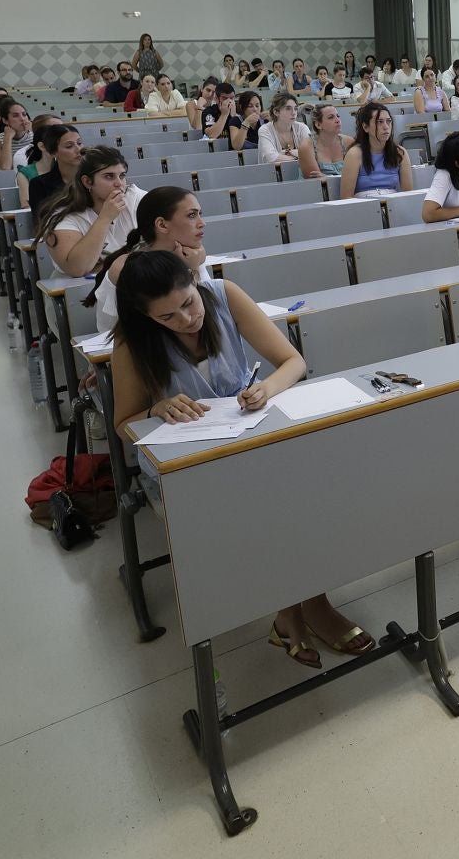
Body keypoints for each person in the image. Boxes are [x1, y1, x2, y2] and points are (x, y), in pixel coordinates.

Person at [110, 250, 372, 668]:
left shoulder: (223, 295)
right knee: (266, 505)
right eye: (168, 318)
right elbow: (124, 422)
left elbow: (293, 362)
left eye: (188, 303)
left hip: (249, 438)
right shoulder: (131, 340)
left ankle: (301, 606)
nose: (186, 320)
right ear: (146, 317)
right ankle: (299, 608)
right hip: (184, 463)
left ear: (195, 282)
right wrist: (156, 410)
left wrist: (266, 389)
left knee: (309, 489)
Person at [83, 186, 214, 329]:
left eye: (200, 214)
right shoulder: (125, 269)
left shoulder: (190, 253)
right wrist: (191, 269)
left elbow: (211, 316)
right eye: (191, 215)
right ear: (162, 225)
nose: (202, 223)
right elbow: (147, 332)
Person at [39, 146, 149, 277]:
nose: (119, 183)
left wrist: (106, 264)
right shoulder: (63, 216)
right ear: (87, 182)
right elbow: (78, 269)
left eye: (122, 175)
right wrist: (104, 219)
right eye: (109, 176)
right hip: (78, 293)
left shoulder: (136, 198)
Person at [341, 103, 414, 198]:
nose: (386, 126)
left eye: (388, 121)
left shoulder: (400, 152)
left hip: (393, 204)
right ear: (365, 127)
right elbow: (346, 198)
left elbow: (408, 195)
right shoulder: (354, 154)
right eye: (379, 122)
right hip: (364, 206)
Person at [25, 123, 81, 220]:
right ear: (53, 152)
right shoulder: (39, 184)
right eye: (69, 146)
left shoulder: (93, 178)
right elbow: (42, 222)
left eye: (79, 143)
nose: (78, 149)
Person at [256, 94, 320, 176]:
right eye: (288, 108)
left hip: (301, 176)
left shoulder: (302, 127)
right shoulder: (265, 130)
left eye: (295, 109)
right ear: (276, 112)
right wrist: (299, 157)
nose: (294, 113)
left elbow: (313, 153)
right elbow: (271, 159)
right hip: (271, 177)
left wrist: (283, 153)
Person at [312, 105, 349, 177]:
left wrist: (327, 178)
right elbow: (315, 182)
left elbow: (357, 174)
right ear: (318, 124)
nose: (338, 120)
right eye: (331, 117)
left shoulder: (349, 142)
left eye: (338, 116)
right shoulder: (307, 146)